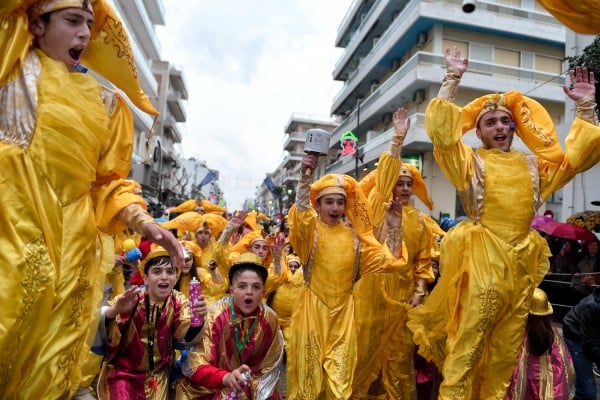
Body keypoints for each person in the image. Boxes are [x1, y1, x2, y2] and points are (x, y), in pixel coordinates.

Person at [0, 1, 184, 398]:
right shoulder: (11, 71)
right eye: (72, 21)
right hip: (11, 229)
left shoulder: (104, 102)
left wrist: (144, 222)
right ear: (36, 24)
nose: (85, 33)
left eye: (89, 23)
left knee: (50, 363)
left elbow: (107, 183)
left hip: (72, 246)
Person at [407, 46, 600, 399]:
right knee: (466, 349)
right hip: (482, 260)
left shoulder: (533, 166)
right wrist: (451, 79)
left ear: (514, 127)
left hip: (519, 266)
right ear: (478, 133)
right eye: (490, 122)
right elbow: (444, 138)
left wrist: (585, 107)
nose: (499, 126)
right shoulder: (470, 163)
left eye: (504, 121)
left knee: (504, 354)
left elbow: (575, 159)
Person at [286, 155, 410, 400]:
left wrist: (394, 226)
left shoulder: (355, 240)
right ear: (318, 206)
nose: (335, 208)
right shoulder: (311, 235)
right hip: (312, 315)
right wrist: (304, 178)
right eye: (329, 202)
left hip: (343, 319)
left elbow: (388, 261)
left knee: (340, 388)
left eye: (340, 202)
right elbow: (300, 221)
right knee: (308, 385)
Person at [353, 107, 435, 399]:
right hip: (370, 298)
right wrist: (397, 140)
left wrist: (420, 290)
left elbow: (423, 261)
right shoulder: (375, 209)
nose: (403, 188)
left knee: (400, 363)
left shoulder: (421, 221)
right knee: (363, 359)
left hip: (402, 303)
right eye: (398, 183)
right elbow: (384, 176)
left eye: (408, 183)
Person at [96, 246, 207, 400]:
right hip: (123, 375)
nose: (164, 277)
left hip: (158, 377)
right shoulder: (131, 298)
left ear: (176, 278)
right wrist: (114, 311)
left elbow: (185, 337)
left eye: (170, 272)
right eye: (157, 271)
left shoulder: (178, 301)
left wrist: (198, 319)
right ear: (146, 278)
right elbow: (104, 335)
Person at [174, 252, 284, 400]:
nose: (249, 292)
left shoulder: (269, 319)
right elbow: (196, 364)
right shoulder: (215, 316)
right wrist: (226, 378)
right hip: (212, 386)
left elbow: (268, 366)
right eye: (242, 286)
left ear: (263, 292)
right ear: (232, 290)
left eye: (256, 287)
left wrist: (243, 384)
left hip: (248, 385)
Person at [505, 288, 575, 400]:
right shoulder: (552, 333)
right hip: (546, 384)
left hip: (523, 385)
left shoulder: (517, 334)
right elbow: (563, 363)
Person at [562, 286, 600, 400]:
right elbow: (589, 344)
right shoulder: (592, 306)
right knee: (588, 393)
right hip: (575, 337)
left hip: (590, 337)